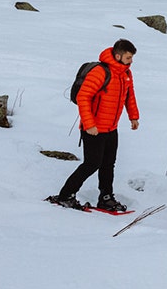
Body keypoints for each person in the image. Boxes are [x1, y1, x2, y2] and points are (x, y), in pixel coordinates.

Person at [47, 39, 139, 212]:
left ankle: (106, 198)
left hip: (111, 127)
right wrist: (89, 124)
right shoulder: (100, 72)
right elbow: (83, 97)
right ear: (118, 56)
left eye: (132, 58)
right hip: (94, 129)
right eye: (128, 58)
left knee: (108, 164)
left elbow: (129, 95)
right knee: (91, 164)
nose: (131, 61)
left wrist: (133, 116)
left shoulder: (126, 73)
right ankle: (65, 195)